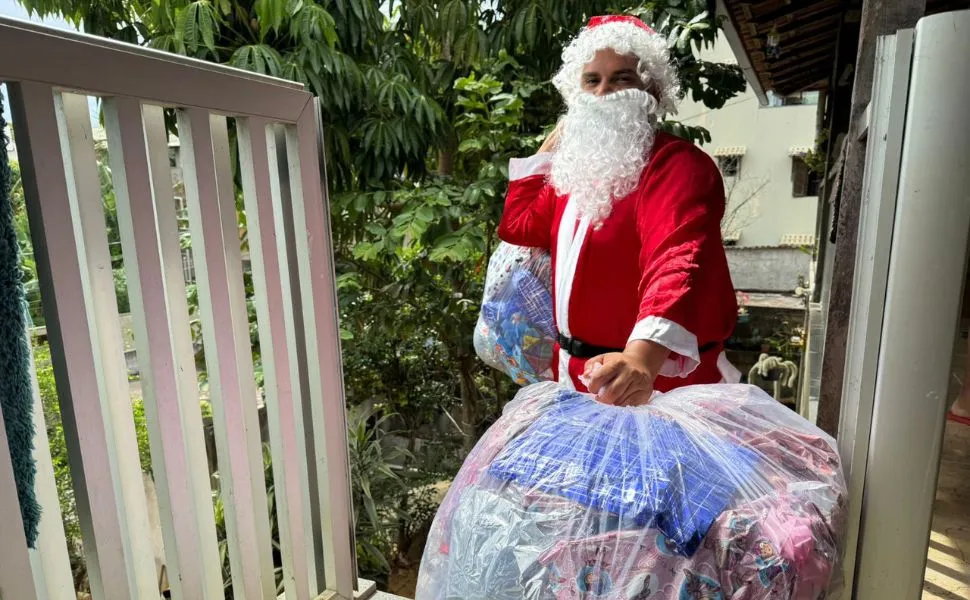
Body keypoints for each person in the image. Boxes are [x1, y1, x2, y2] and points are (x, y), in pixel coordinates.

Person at [497, 14, 739, 407]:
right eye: (591, 81)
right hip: (575, 381)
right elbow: (518, 225)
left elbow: (675, 260)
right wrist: (559, 139)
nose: (604, 92)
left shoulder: (678, 166)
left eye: (622, 78)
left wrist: (641, 359)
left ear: (653, 90)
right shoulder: (574, 173)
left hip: (655, 388)